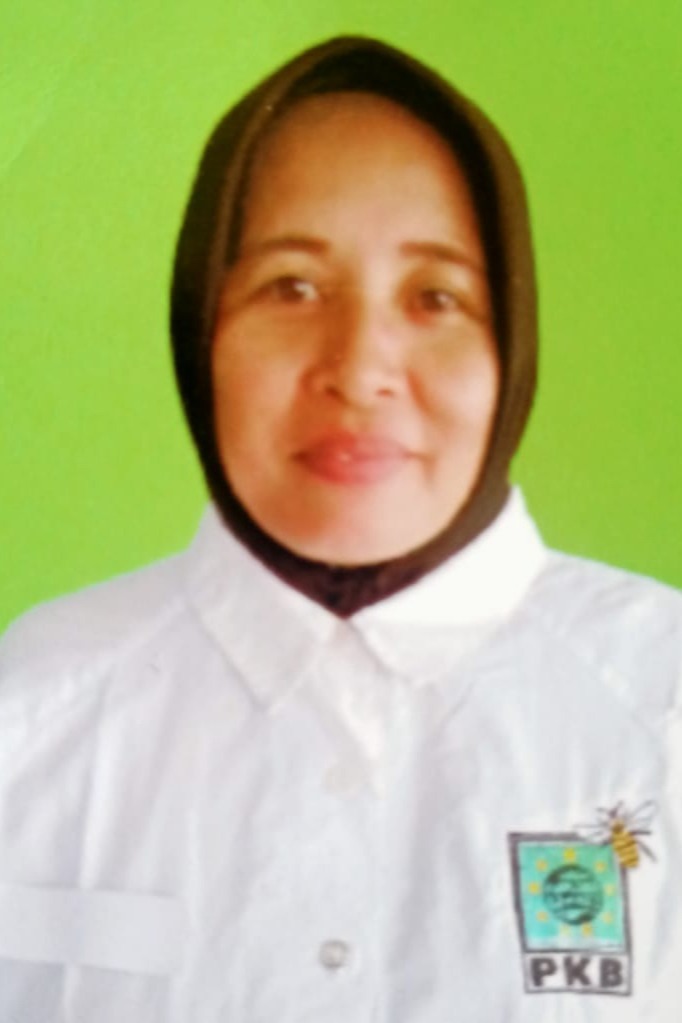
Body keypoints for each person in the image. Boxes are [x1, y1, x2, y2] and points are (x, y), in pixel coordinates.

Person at [0, 35, 680, 1022]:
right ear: (201, 327)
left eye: (436, 297)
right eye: (292, 287)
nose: (359, 369)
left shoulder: (662, 700)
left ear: (510, 341)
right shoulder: (29, 708)